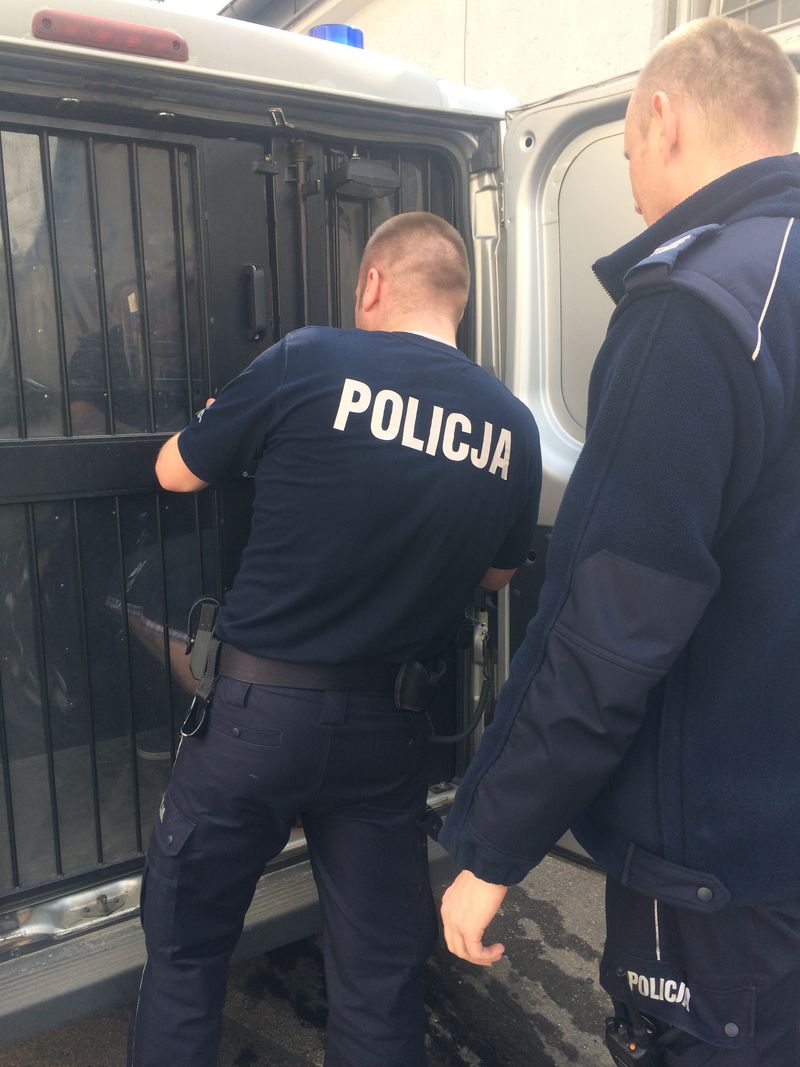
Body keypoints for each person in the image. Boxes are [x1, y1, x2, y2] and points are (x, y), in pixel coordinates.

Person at [438, 16, 800, 1066]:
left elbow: (608, 625)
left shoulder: (697, 307)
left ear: (661, 117)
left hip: (718, 871)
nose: (635, 187)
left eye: (630, 153)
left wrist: (491, 843)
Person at [128, 210, 542, 1067]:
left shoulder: (310, 360)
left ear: (373, 284)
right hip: (385, 733)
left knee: (186, 953)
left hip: (254, 718)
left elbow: (174, 469)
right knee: (379, 980)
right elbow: (500, 575)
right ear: (457, 300)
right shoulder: (511, 424)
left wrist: (248, 430)